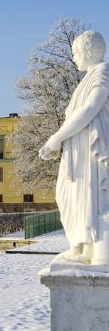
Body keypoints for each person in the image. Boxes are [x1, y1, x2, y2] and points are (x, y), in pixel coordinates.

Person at [39, 30, 109, 264]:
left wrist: (56, 138)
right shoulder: (88, 78)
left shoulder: (103, 71)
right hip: (77, 150)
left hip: (89, 151)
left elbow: (90, 108)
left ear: (88, 51)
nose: (75, 57)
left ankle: (87, 247)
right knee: (68, 194)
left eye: (76, 52)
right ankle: (80, 245)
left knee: (86, 196)